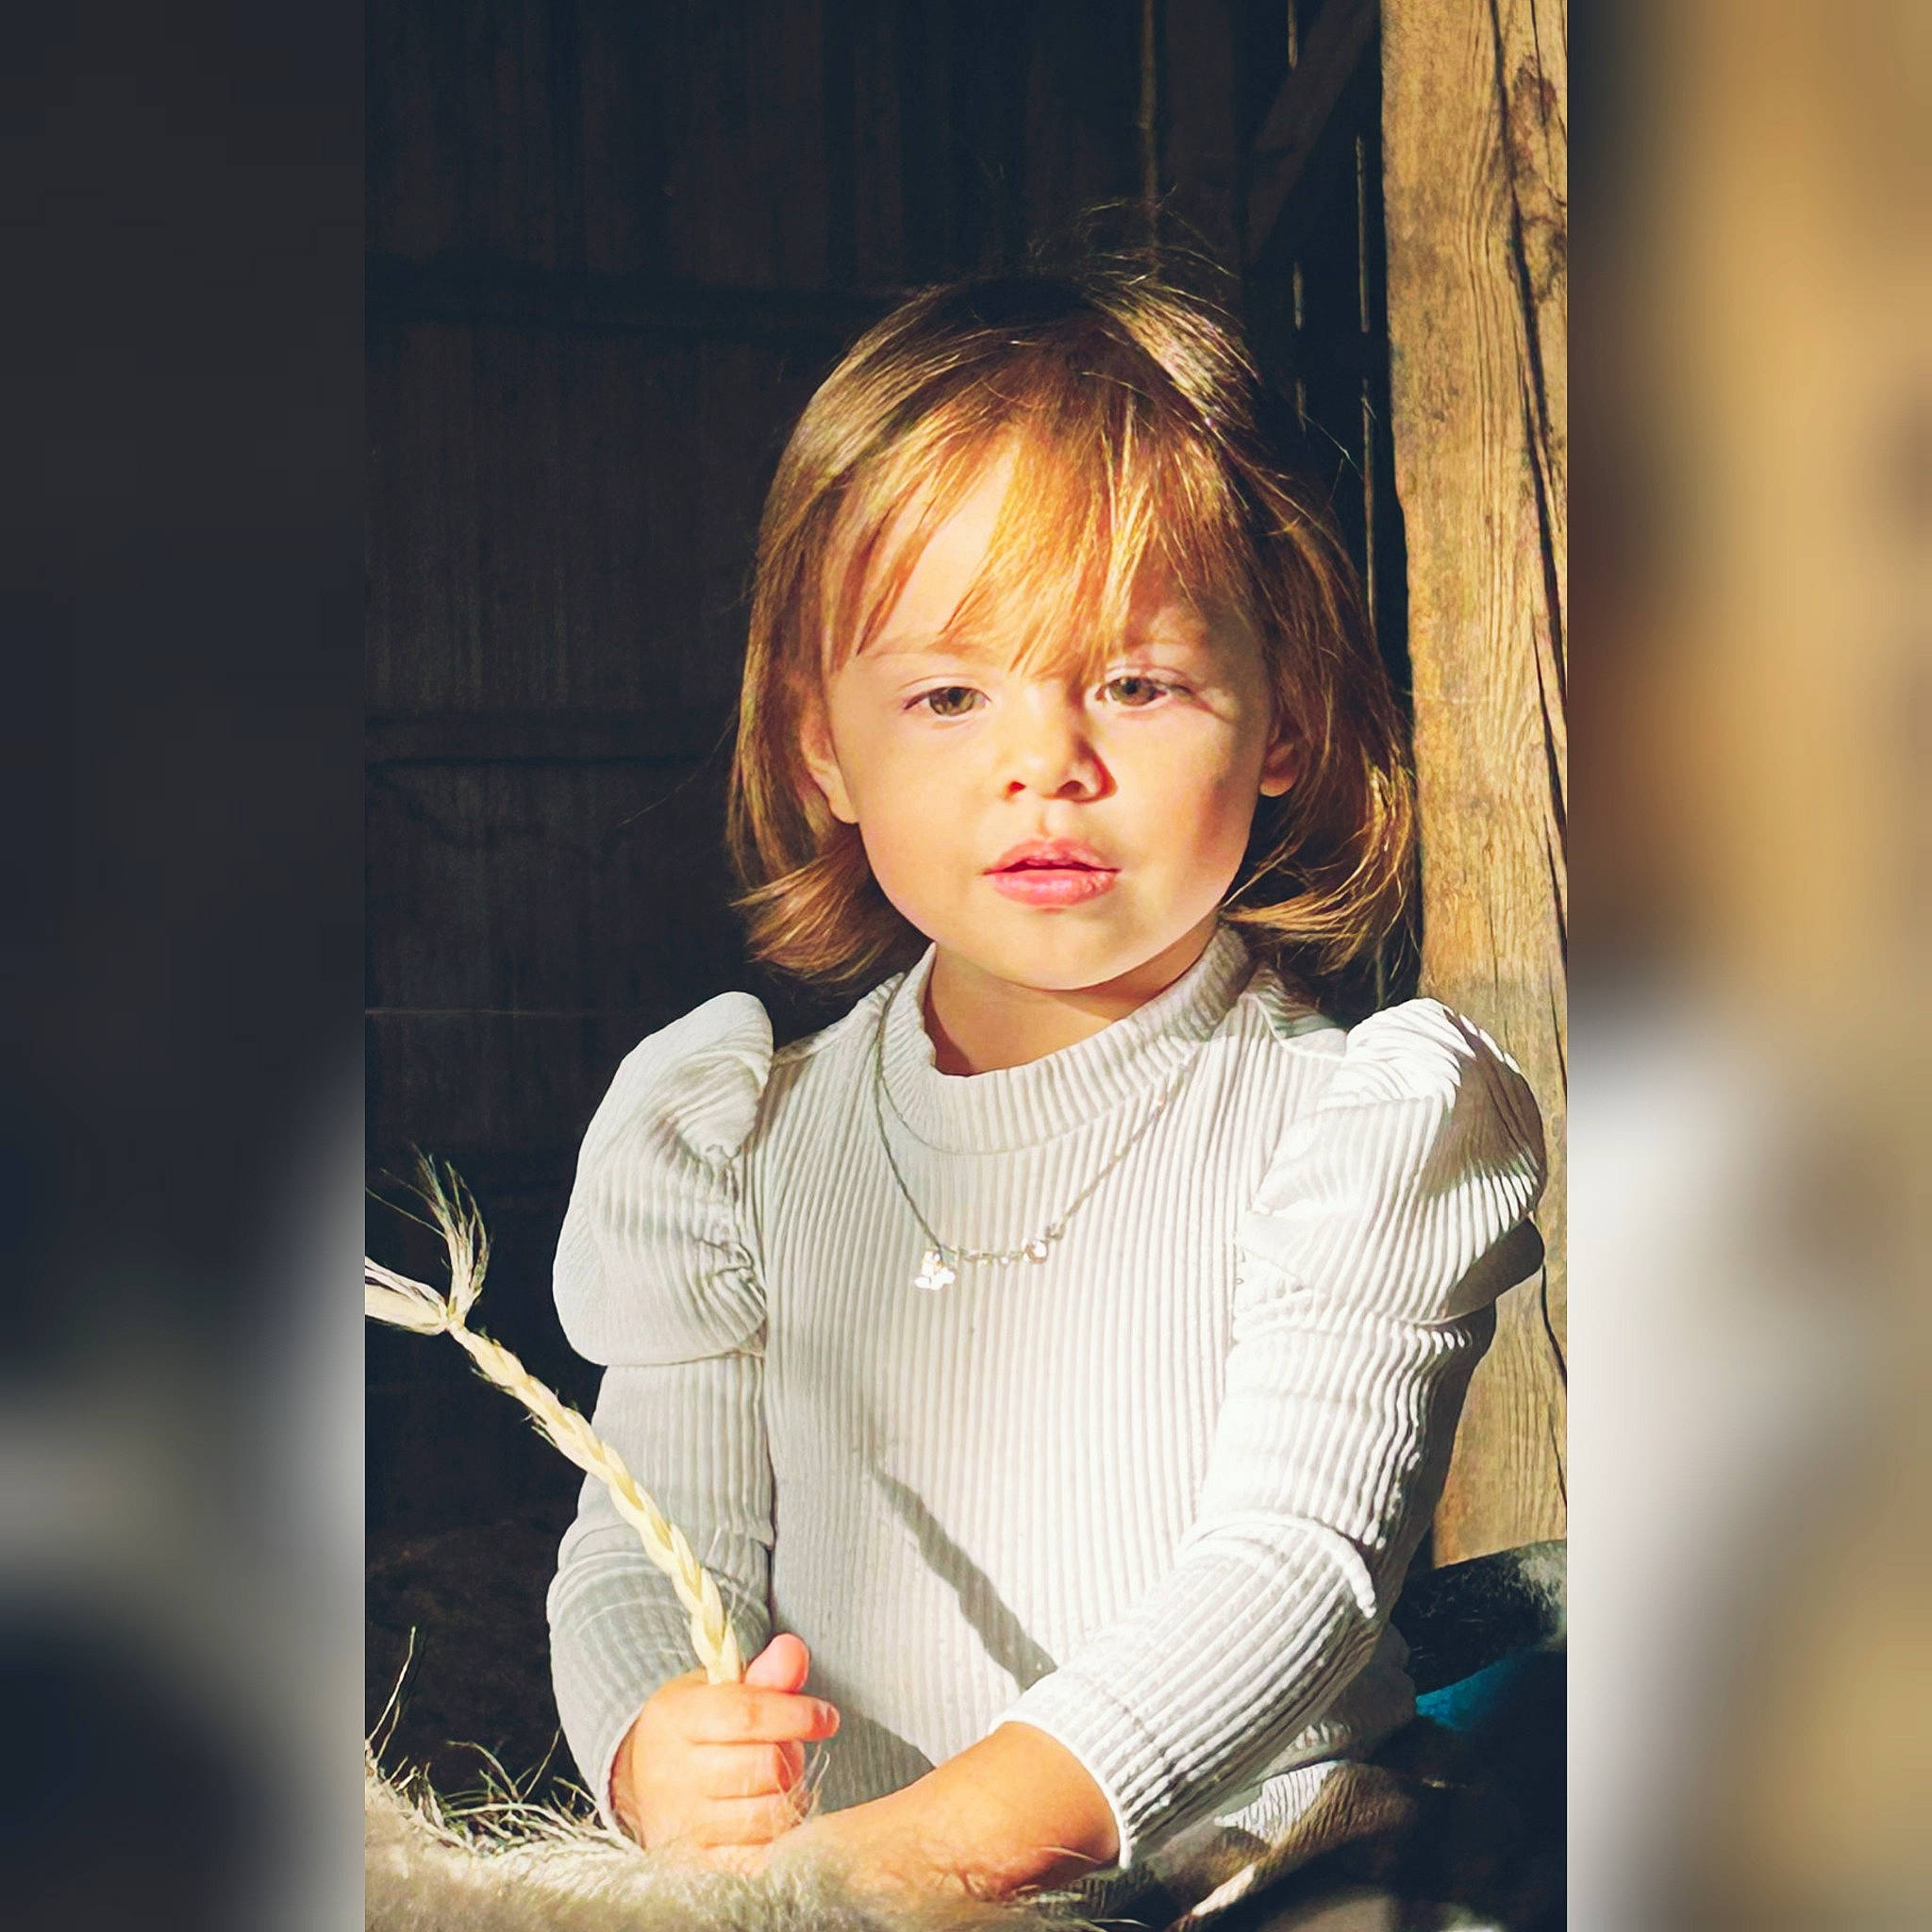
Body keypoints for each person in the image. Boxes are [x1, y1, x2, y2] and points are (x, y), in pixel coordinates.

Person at [544, 265, 1546, 1904]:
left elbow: (1295, 1566)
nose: (1045, 763)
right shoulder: (733, 1141)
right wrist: (657, 1732)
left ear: (1282, 709)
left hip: (1248, 1875)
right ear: (822, 746)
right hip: (839, 1893)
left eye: (1135, 684)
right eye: (948, 694)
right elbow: (655, 1550)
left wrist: (961, 1843)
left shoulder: (1355, 1132)